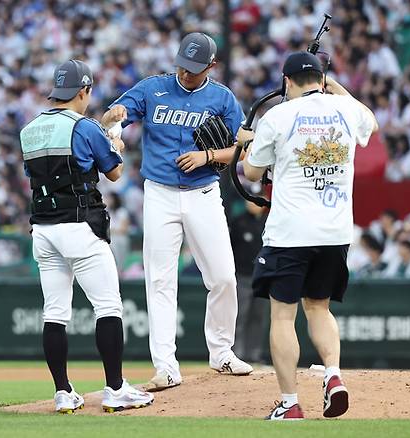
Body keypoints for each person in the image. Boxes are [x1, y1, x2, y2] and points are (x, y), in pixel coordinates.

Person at [101, 32, 253, 390]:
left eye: (195, 68)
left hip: (203, 190)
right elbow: (112, 118)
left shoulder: (222, 98)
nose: (186, 73)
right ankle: (166, 366)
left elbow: (245, 149)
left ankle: (222, 352)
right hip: (160, 193)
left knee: (223, 277)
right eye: (183, 65)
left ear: (211, 67)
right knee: (160, 281)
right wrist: (115, 115)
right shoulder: (153, 88)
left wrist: (208, 156)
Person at [240, 51, 379, 420]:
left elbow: (252, 173)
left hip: (290, 232)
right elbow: (372, 123)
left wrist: (246, 143)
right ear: (321, 79)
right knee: (319, 307)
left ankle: (290, 403)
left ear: (286, 81)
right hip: (334, 231)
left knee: (283, 317)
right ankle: (333, 375)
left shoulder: (278, 116)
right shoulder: (346, 109)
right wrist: (331, 85)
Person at [19, 59, 153, 413]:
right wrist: (114, 139)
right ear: (83, 91)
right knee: (108, 306)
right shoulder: (84, 126)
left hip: (43, 229)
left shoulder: (29, 129)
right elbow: (115, 173)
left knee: (55, 312)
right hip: (80, 226)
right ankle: (115, 387)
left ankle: (63, 392)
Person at [229, 198, 269, 363]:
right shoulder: (239, 222)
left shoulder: (269, 222)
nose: (254, 204)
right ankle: (236, 354)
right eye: (251, 200)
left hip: (263, 277)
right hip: (242, 276)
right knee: (240, 315)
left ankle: (254, 354)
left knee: (259, 317)